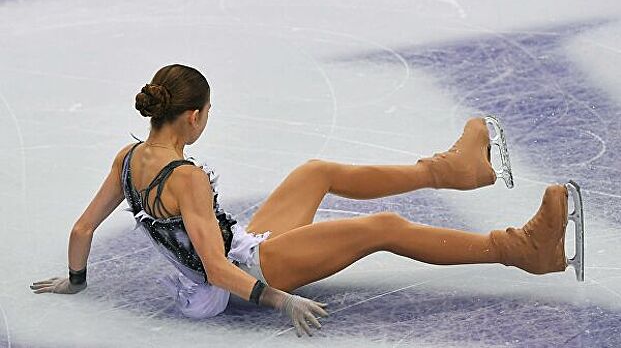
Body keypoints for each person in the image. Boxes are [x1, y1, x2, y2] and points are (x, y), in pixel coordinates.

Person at [30, 64, 583, 338]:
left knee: (314, 173)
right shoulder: (186, 177)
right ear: (195, 115)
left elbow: (82, 230)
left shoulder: (126, 161)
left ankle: (453, 170)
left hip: (233, 255)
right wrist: (280, 301)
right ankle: (525, 250)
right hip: (245, 273)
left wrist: (75, 282)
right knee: (381, 227)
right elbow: (220, 269)